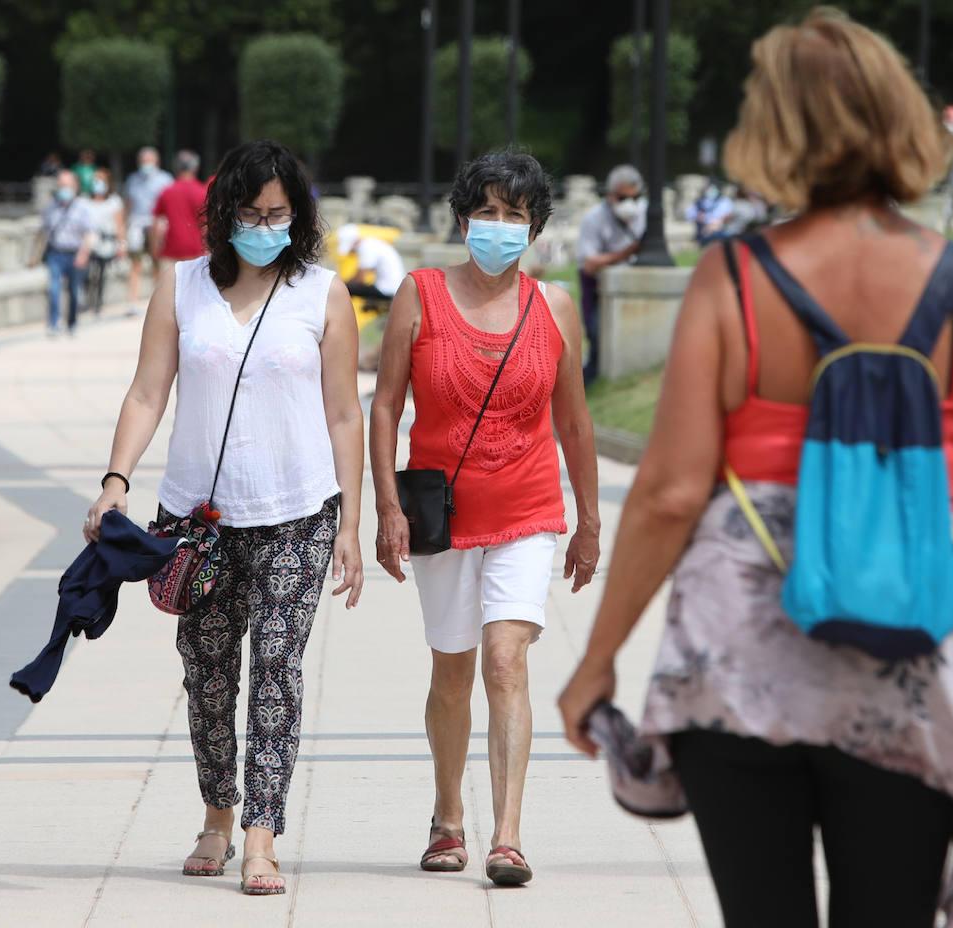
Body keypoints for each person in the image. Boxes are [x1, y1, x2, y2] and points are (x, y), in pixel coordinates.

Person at [558, 10, 953, 928]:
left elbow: (672, 494)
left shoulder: (736, 278)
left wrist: (597, 660)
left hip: (738, 657)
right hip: (902, 655)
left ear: (773, 127)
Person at [82, 139, 364, 895]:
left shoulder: (322, 294)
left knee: (276, 666)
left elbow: (344, 414)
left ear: (297, 216)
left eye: (278, 214)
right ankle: (215, 814)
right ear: (222, 215)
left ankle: (260, 836)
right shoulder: (182, 289)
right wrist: (116, 481)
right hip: (197, 522)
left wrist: (349, 522)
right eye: (249, 213)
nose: (265, 226)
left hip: (298, 512)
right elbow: (147, 394)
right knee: (207, 673)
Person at [371, 151, 602, 887]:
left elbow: (574, 422)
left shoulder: (554, 306)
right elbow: (384, 407)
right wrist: (384, 506)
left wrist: (589, 520)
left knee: (506, 659)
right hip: (442, 514)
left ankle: (507, 837)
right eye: (488, 211)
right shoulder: (420, 293)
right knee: (453, 672)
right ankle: (447, 814)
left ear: (534, 227)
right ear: (463, 217)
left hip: (529, 511)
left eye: (515, 214)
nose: (499, 226)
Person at [576, 164, 646, 384]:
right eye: (623, 198)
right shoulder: (594, 218)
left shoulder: (646, 213)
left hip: (633, 282)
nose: (630, 204)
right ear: (610, 195)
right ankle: (591, 380)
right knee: (597, 335)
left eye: (635, 197)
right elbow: (589, 263)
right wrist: (627, 252)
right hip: (598, 286)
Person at [31, 170, 95, 335]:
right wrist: (34, 256)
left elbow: (89, 234)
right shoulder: (50, 207)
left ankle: (72, 322)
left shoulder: (83, 207)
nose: (63, 189)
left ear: (75, 186)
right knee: (53, 288)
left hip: (75, 252)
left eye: (66, 185)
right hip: (55, 252)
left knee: (74, 291)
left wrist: (83, 254)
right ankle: (53, 323)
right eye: (60, 185)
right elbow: (42, 232)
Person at [124, 146, 174, 315]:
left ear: (156, 161)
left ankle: (159, 299)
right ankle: (132, 302)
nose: (145, 164)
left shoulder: (165, 179)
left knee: (157, 262)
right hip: (137, 223)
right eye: (143, 161)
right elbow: (128, 204)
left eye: (148, 160)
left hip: (156, 223)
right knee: (135, 263)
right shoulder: (132, 179)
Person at [152, 150, 211, 265]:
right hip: (198, 249)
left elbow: (157, 222)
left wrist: (154, 246)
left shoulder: (167, 191)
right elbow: (209, 224)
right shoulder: (203, 192)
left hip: (172, 249)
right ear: (195, 168)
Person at [82, 168, 126, 316]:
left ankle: (98, 303)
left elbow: (119, 224)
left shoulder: (114, 201)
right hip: (88, 242)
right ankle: (88, 301)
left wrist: (122, 244)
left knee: (101, 274)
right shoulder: (84, 201)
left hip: (107, 243)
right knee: (87, 274)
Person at [335, 223, 405, 300]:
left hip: (387, 289)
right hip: (392, 288)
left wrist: (343, 284)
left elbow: (360, 278)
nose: (351, 252)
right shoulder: (372, 243)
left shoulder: (367, 247)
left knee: (345, 289)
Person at [684, 178, 735, 245]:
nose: (711, 190)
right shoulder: (700, 201)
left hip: (719, 229)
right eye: (709, 187)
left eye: (713, 187)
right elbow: (688, 214)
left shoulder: (725, 201)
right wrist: (697, 217)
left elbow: (729, 215)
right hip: (703, 230)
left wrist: (716, 224)